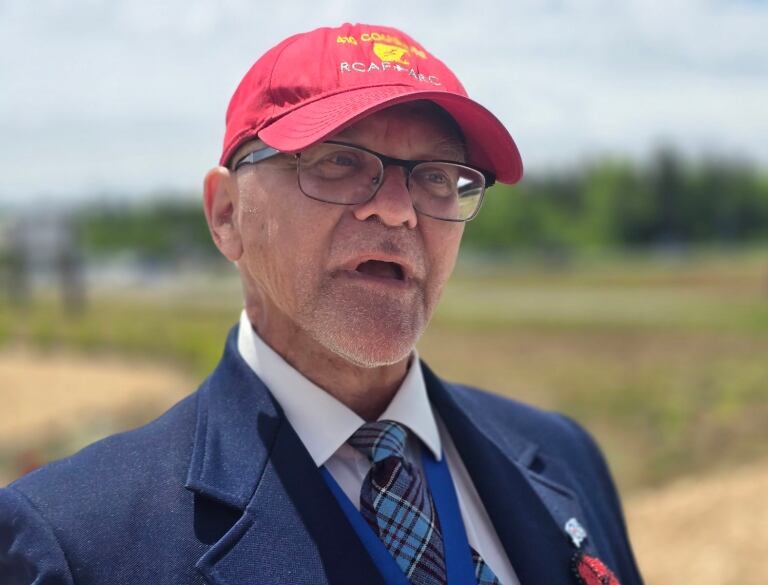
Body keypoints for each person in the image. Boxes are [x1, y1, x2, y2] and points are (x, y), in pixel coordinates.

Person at [0, 23, 643, 585]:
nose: (397, 210)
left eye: (439, 177)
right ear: (227, 215)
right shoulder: (79, 542)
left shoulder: (561, 456)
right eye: (338, 161)